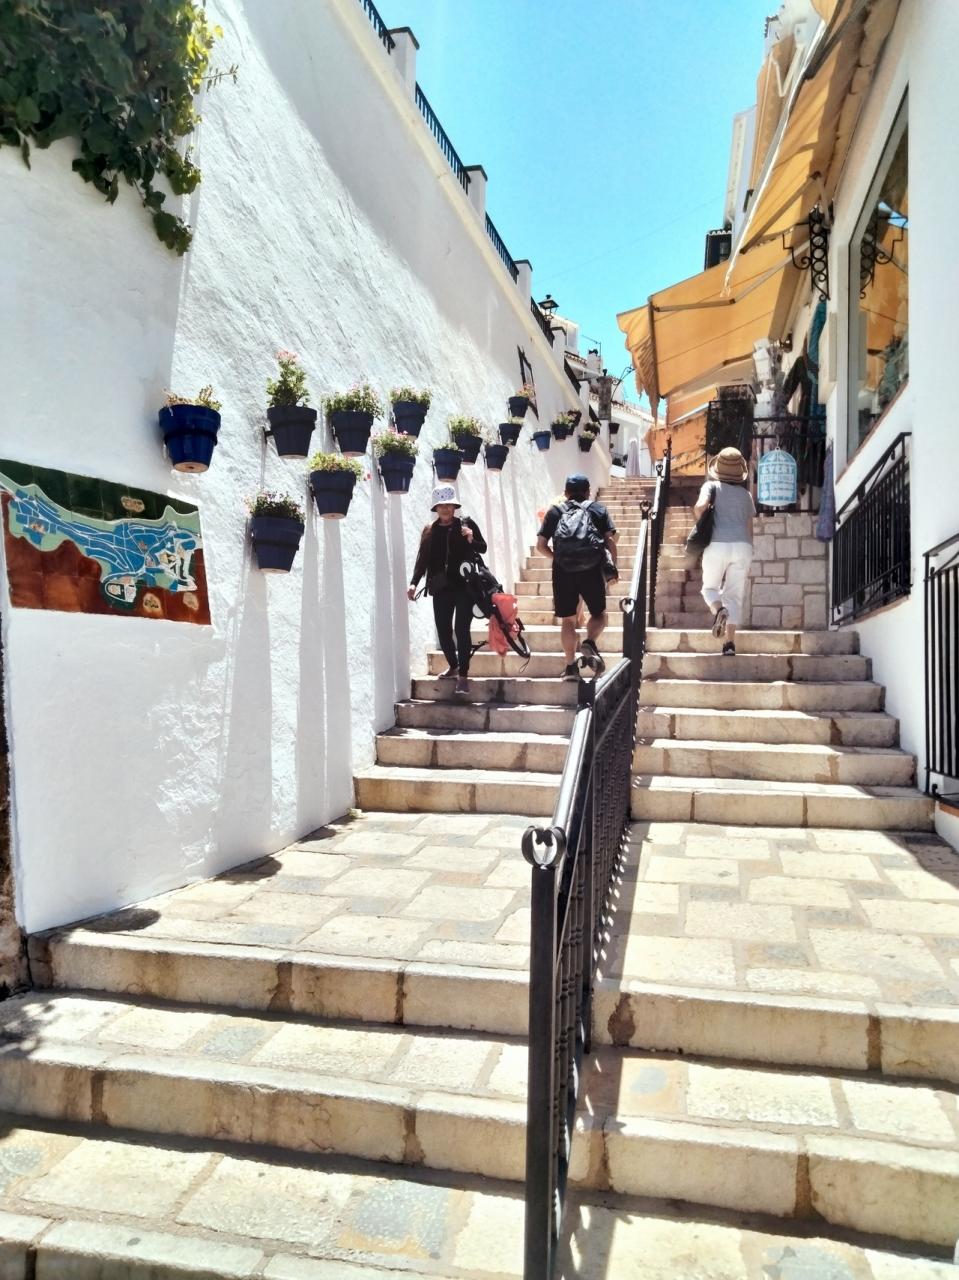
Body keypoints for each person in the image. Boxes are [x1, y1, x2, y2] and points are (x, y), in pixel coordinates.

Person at [408, 484, 487, 696]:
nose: (445, 508)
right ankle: (453, 665)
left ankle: (463, 676)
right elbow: (422, 559)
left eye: (449, 505)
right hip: (441, 588)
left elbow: (483, 548)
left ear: (454, 506)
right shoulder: (430, 531)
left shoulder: (466, 524)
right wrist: (414, 582)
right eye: (441, 505)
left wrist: (471, 538)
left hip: (465, 588)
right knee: (443, 630)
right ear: (436, 508)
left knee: (461, 630)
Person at [537, 473, 618, 679]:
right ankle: (589, 642)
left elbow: (541, 546)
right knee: (599, 614)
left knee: (568, 620)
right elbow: (610, 541)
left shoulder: (555, 511)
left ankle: (570, 667)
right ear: (588, 491)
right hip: (592, 569)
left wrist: (558, 558)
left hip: (563, 572)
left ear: (566, 492)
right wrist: (611, 570)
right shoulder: (598, 509)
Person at [694, 446, 756, 656]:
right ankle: (729, 644)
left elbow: (699, 507)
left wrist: (703, 523)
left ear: (718, 468)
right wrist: (749, 554)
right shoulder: (746, 495)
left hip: (717, 544)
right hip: (743, 547)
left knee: (709, 589)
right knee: (734, 597)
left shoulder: (710, 486)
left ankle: (719, 610)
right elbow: (749, 527)